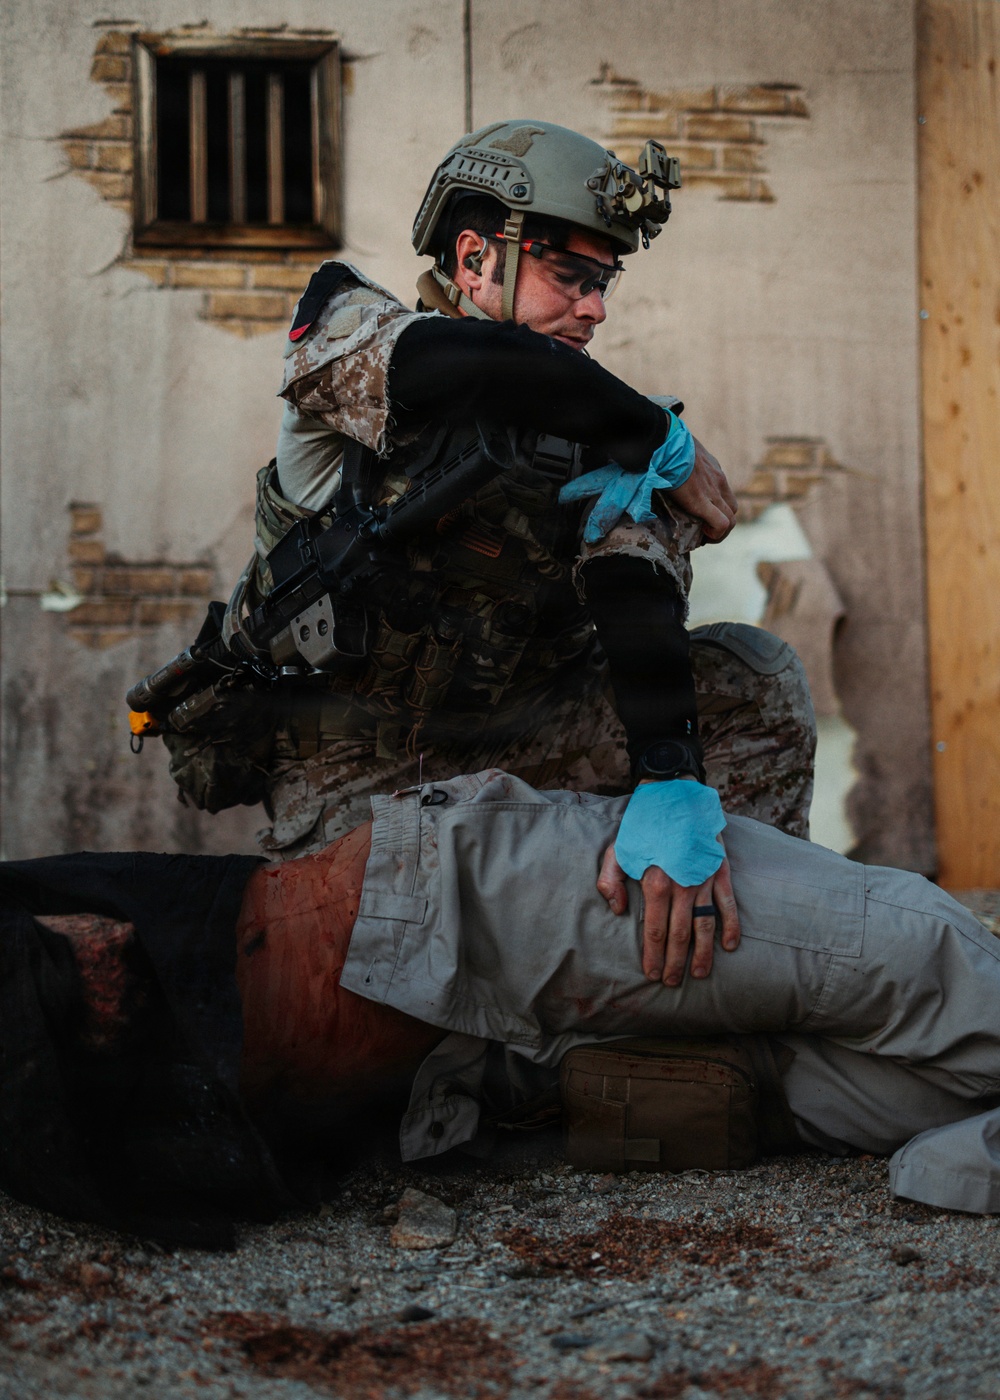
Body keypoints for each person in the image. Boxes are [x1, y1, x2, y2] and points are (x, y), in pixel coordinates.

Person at [174, 119, 816, 975]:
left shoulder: (603, 423)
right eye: (570, 276)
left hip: (527, 730)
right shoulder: (352, 332)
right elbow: (478, 370)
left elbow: (636, 588)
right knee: (380, 988)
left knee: (757, 680)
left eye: (605, 282)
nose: (594, 306)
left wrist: (670, 775)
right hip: (360, 760)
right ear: (475, 260)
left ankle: (731, 953)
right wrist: (656, 431)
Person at [4, 769, 1000, 1252]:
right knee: (899, 1097)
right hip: (445, 1093)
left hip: (448, 916)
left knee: (921, 953)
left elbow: (97, 953)